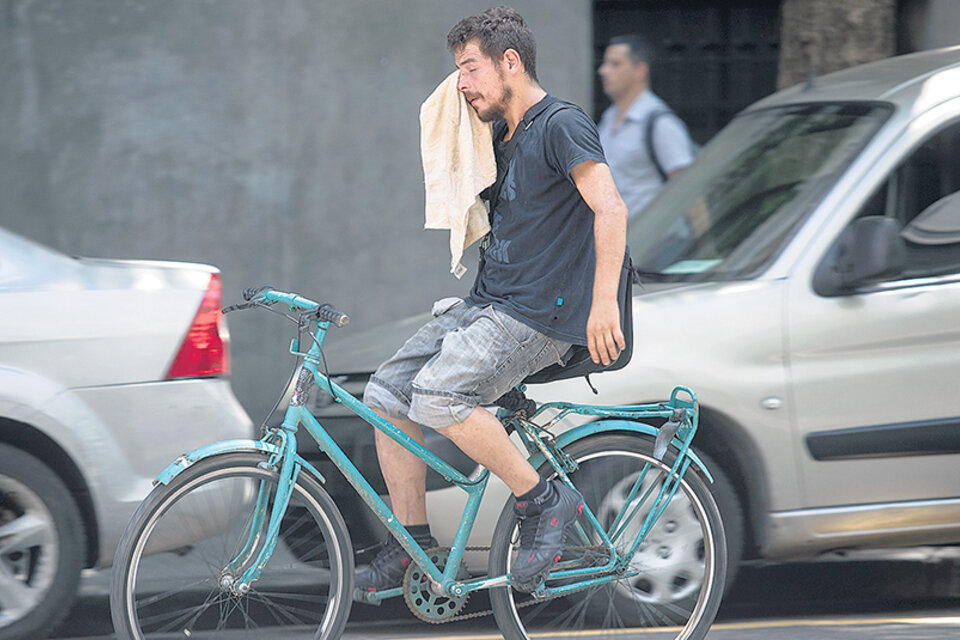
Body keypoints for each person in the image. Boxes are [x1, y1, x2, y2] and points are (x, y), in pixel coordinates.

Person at [356, 6, 629, 595]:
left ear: (511, 62)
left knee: (437, 395)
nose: (462, 84)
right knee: (383, 395)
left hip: (541, 315)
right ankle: (413, 542)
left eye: (471, 68)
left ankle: (545, 502)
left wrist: (602, 304)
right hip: (491, 303)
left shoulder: (561, 124)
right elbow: (448, 115)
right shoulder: (500, 133)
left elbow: (611, 209)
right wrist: (470, 93)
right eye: (458, 70)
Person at [597, 34, 696, 220]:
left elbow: (688, 189)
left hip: (655, 243)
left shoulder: (659, 123)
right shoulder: (607, 119)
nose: (603, 71)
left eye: (615, 64)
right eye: (605, 63)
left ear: (639, 71)